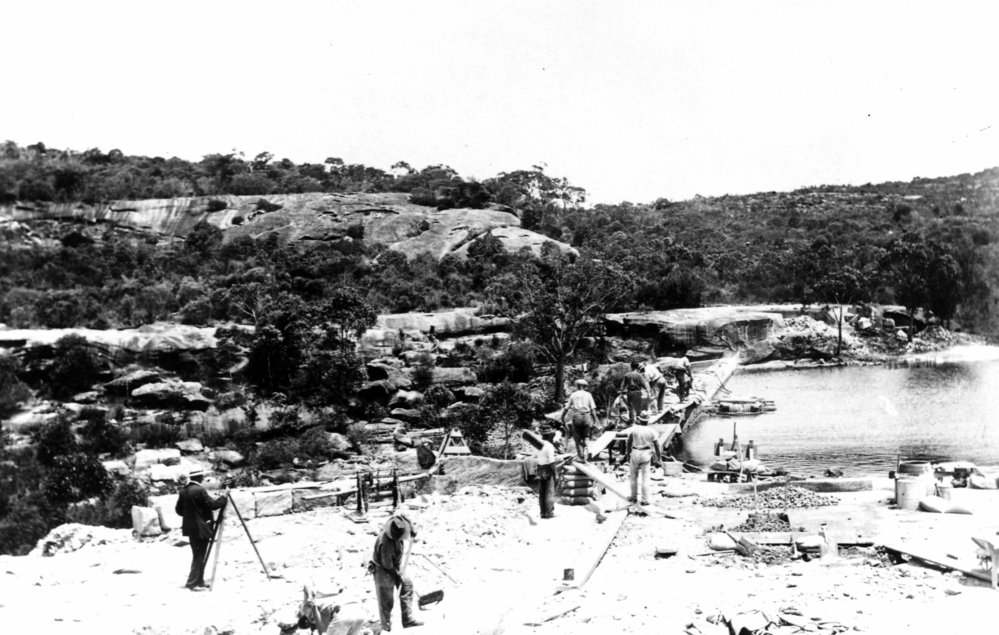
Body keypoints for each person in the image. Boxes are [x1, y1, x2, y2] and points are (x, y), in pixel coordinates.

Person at [175, 468, 227, 591]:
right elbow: (213, 506)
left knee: (198, 554)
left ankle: (199, 580)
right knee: (199, 556)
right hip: (201, 528)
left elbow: (179, 510)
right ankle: (192, 583)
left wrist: (191, 515)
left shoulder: (184, 490)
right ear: (201, 478)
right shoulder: (200, 490)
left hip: (191, 528)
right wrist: (224, 497)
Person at [370, 513, 423, 631]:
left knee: (407, 584)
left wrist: (412, 530)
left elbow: (405, 518)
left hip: (396, 565)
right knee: (386, 600)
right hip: (383, 570)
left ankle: (407, 619)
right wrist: (397, 573)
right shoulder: (386, 544)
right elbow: (387, 564)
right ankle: (386, 628)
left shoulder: (400, 522)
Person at [624, 411, 662, 505]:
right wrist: (659, 457)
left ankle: (633, 497)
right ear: (648, 420)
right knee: (645, 478)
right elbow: (657, 445)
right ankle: (644, 500)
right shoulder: (652, 431)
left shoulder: (634, 430)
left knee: (633, 477)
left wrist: (628, 455)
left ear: (639, 419)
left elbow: (629, 443)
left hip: (635, 452)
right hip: (646, 454)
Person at [524, 425, 558, 519]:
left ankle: (542, 512)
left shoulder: (538, 445)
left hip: (540, 468)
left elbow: (535, 456)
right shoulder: (549, 446)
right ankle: (549, 512)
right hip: (548, 468)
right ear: (550, 435)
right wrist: (555, 473)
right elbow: (551, 461)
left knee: (542, 491)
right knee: (549, 491)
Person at [561, 378, 597, 461]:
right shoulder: (588, 394)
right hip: (587, 416)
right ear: (584, 386)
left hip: (577, 416)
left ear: (577, 386)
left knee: (578, 438)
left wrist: (562, 417)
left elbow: (567, 408)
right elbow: (593, 409)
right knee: (586, 437)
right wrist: (595, 420)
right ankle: (589, 450)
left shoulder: (573, 395)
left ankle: (581, 457)